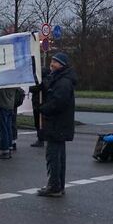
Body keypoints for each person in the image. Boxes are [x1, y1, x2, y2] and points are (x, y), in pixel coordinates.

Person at [36, 53, 76, 197]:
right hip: (58, 125)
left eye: (55, 62)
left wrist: (43, 108)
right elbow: (48, 86)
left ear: (62, 65)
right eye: (52, 61)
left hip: (57, 124)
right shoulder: (60, 78)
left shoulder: (64, 82)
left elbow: (58, 103)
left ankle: (54, 186)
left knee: (54, 156)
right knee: (57, 156)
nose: (51, 64)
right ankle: (57, 185)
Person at [0, 87, 22, 159]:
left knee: (3, 128)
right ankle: (9, 146)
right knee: (8, 127)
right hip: (10, 104)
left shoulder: (4, 80)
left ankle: (5, 149)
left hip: (3, 104)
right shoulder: (13, 82)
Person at [29, 83, 45, 147]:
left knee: (40, 122)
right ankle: (40, 137)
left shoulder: (45, 78)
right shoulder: (37, 78)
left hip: (40, 103)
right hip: (36, 102)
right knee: (37, 122)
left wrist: (38, 87)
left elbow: (44, 86)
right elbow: (31, 88)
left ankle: (41, 138)